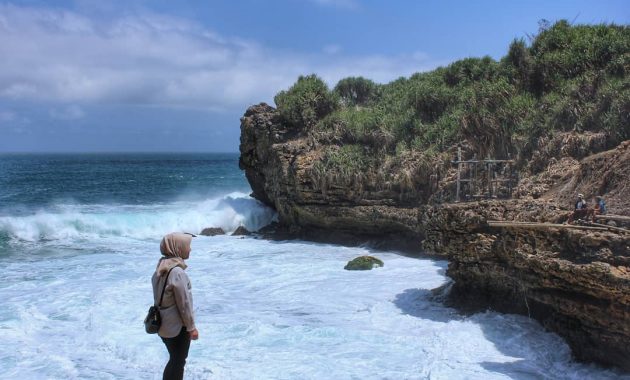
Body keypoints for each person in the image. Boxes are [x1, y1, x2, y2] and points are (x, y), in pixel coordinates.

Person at [152, 232, 199, 380]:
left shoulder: (160, 268)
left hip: (163, 324)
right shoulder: (177, 272)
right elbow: (184, 304)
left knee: (174, 359)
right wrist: (191, 327)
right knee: (178, 361)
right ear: (177, 248)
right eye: (187, 246)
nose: (190, 249)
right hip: (177, 326)